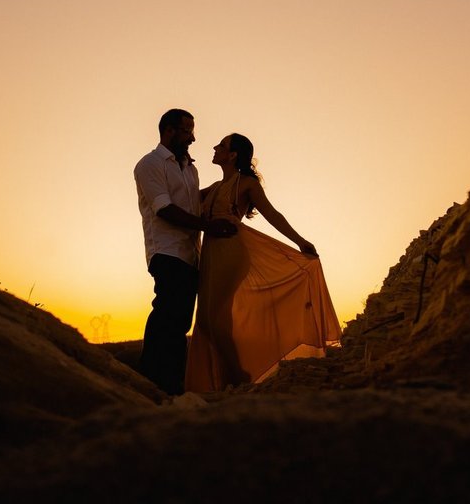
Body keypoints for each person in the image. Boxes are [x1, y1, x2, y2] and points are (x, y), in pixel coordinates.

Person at [184, 133, 342, 393]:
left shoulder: (246, 184)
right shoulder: (213, 188)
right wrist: (185, 165)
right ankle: (231, 379)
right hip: (211, 255)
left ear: (233, 154)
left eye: (222, 145)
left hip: (232, 253)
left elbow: (272, 214)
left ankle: (238, 378)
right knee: (206, 321)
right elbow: (184, 199)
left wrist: (300, 241)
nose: (215, 147)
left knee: (215, 318)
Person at [134, 109, 236, 395]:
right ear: (169, 131)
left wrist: (220, 189)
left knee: (180, 322)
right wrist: (209, 227)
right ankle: (152, 381)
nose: (193, 137)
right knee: (167, 314)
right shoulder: (149, 164)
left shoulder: (190, 167)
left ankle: (171, 385)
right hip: (166, 252)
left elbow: (191, 202)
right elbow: (164, 208)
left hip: (191, 254)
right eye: (187, 131)